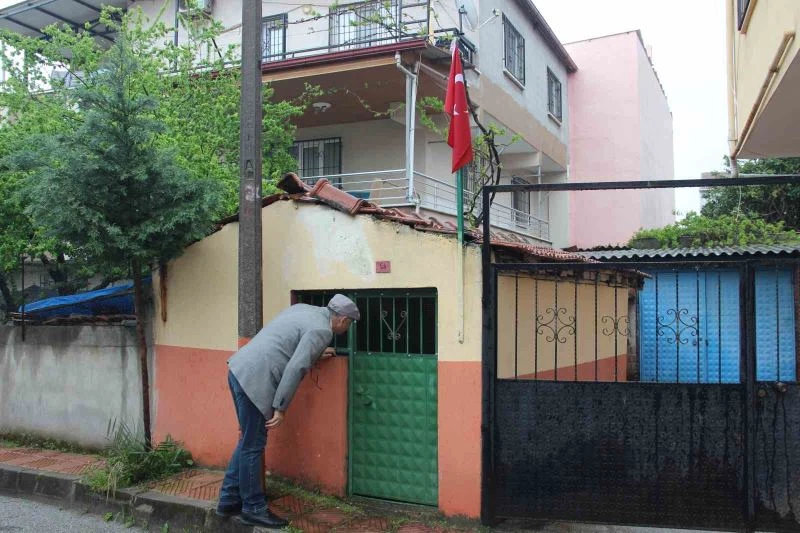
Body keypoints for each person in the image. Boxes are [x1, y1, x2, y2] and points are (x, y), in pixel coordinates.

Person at [216, 294, 360, 528]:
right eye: (350, 323)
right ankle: (253, 508)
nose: (348, 327)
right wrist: (280, 407)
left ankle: (228, 501)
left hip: (239, 369)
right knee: (253, 445)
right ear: (343, 320)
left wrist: (313, 352)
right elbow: (296, 366)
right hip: (255, 380)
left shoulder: (304, 309)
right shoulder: (322, 331)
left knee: (247, 441)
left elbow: (290, 341)